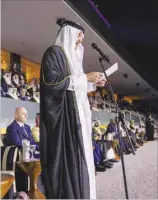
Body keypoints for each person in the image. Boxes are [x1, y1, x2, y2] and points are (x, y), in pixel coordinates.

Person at [40, 19, 106, 199]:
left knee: (82, 160)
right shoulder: (54, 53)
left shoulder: (71, 58)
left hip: (78, 119)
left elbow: (75, 86)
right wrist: (85, 78)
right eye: (78, 36)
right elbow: (52, 84)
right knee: (70, 165)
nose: (80, 41)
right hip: (64, 124)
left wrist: (92, 84)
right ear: (68, 33)